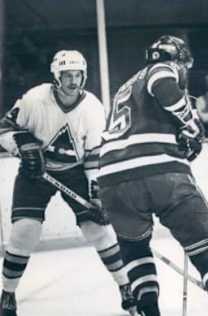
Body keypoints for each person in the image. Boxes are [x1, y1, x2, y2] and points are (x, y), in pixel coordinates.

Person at [98, 35, 208, 316]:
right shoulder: (162, 67)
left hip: (112, 182)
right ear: (178, 58)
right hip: (162, 174)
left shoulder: (123, 89)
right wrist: (190, 122)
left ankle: (148, 310)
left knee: (134, 251)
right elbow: (163, 84)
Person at [0, 50, 135, 316]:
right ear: (56, 77)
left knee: (98, 228)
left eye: (78, 75)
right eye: (67, 76)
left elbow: (95, 156)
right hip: (34, 173)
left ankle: (126, 288)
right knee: (24, 232)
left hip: (75, 172)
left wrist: (98, 198)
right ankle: (7, 294)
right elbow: (3, 128)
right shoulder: (35, 99)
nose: (73, 82)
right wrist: (21, 145)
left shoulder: (93, 107)